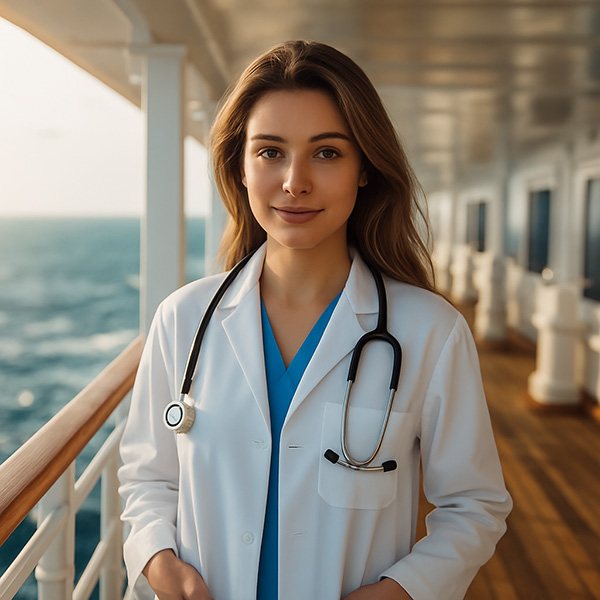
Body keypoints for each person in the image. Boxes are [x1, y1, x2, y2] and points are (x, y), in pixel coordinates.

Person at [118, 40, 512, 600]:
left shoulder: (430, 332)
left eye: (326, 153)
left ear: (365, 170)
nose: (294, 181)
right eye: (270, 152)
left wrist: (402, 591)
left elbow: (475, 505)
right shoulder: (182, 319)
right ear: (241, 165)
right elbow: (146, 477)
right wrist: (161, 564)